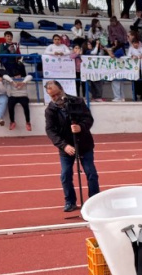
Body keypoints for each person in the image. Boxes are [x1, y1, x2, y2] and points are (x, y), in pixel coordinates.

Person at [44, 80, 100, 212]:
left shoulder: (77, 101)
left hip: (84, 144)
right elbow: (50, 131)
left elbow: (89, 119)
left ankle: (95, 200)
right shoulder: (50, 110)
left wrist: (81, 127)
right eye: (52, 96)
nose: (56, 97)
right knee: (65, 174)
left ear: (62, 90)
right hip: (66, 147)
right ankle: (70, 201)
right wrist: (64, 146)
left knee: (91, 173)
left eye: (57, 94)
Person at [4, 66, 33, 131]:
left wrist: (23, 82)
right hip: (13, 96)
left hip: (23, 96)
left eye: (19, 75)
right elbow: (4, 76)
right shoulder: (11, 79)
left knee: (26, 106)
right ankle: (12, 122)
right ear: (13, 76)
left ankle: (28, 122)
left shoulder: (24, 79)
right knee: (10, 106)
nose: (18, 77)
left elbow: (30, 76)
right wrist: (12, 82)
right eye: (16, 76)